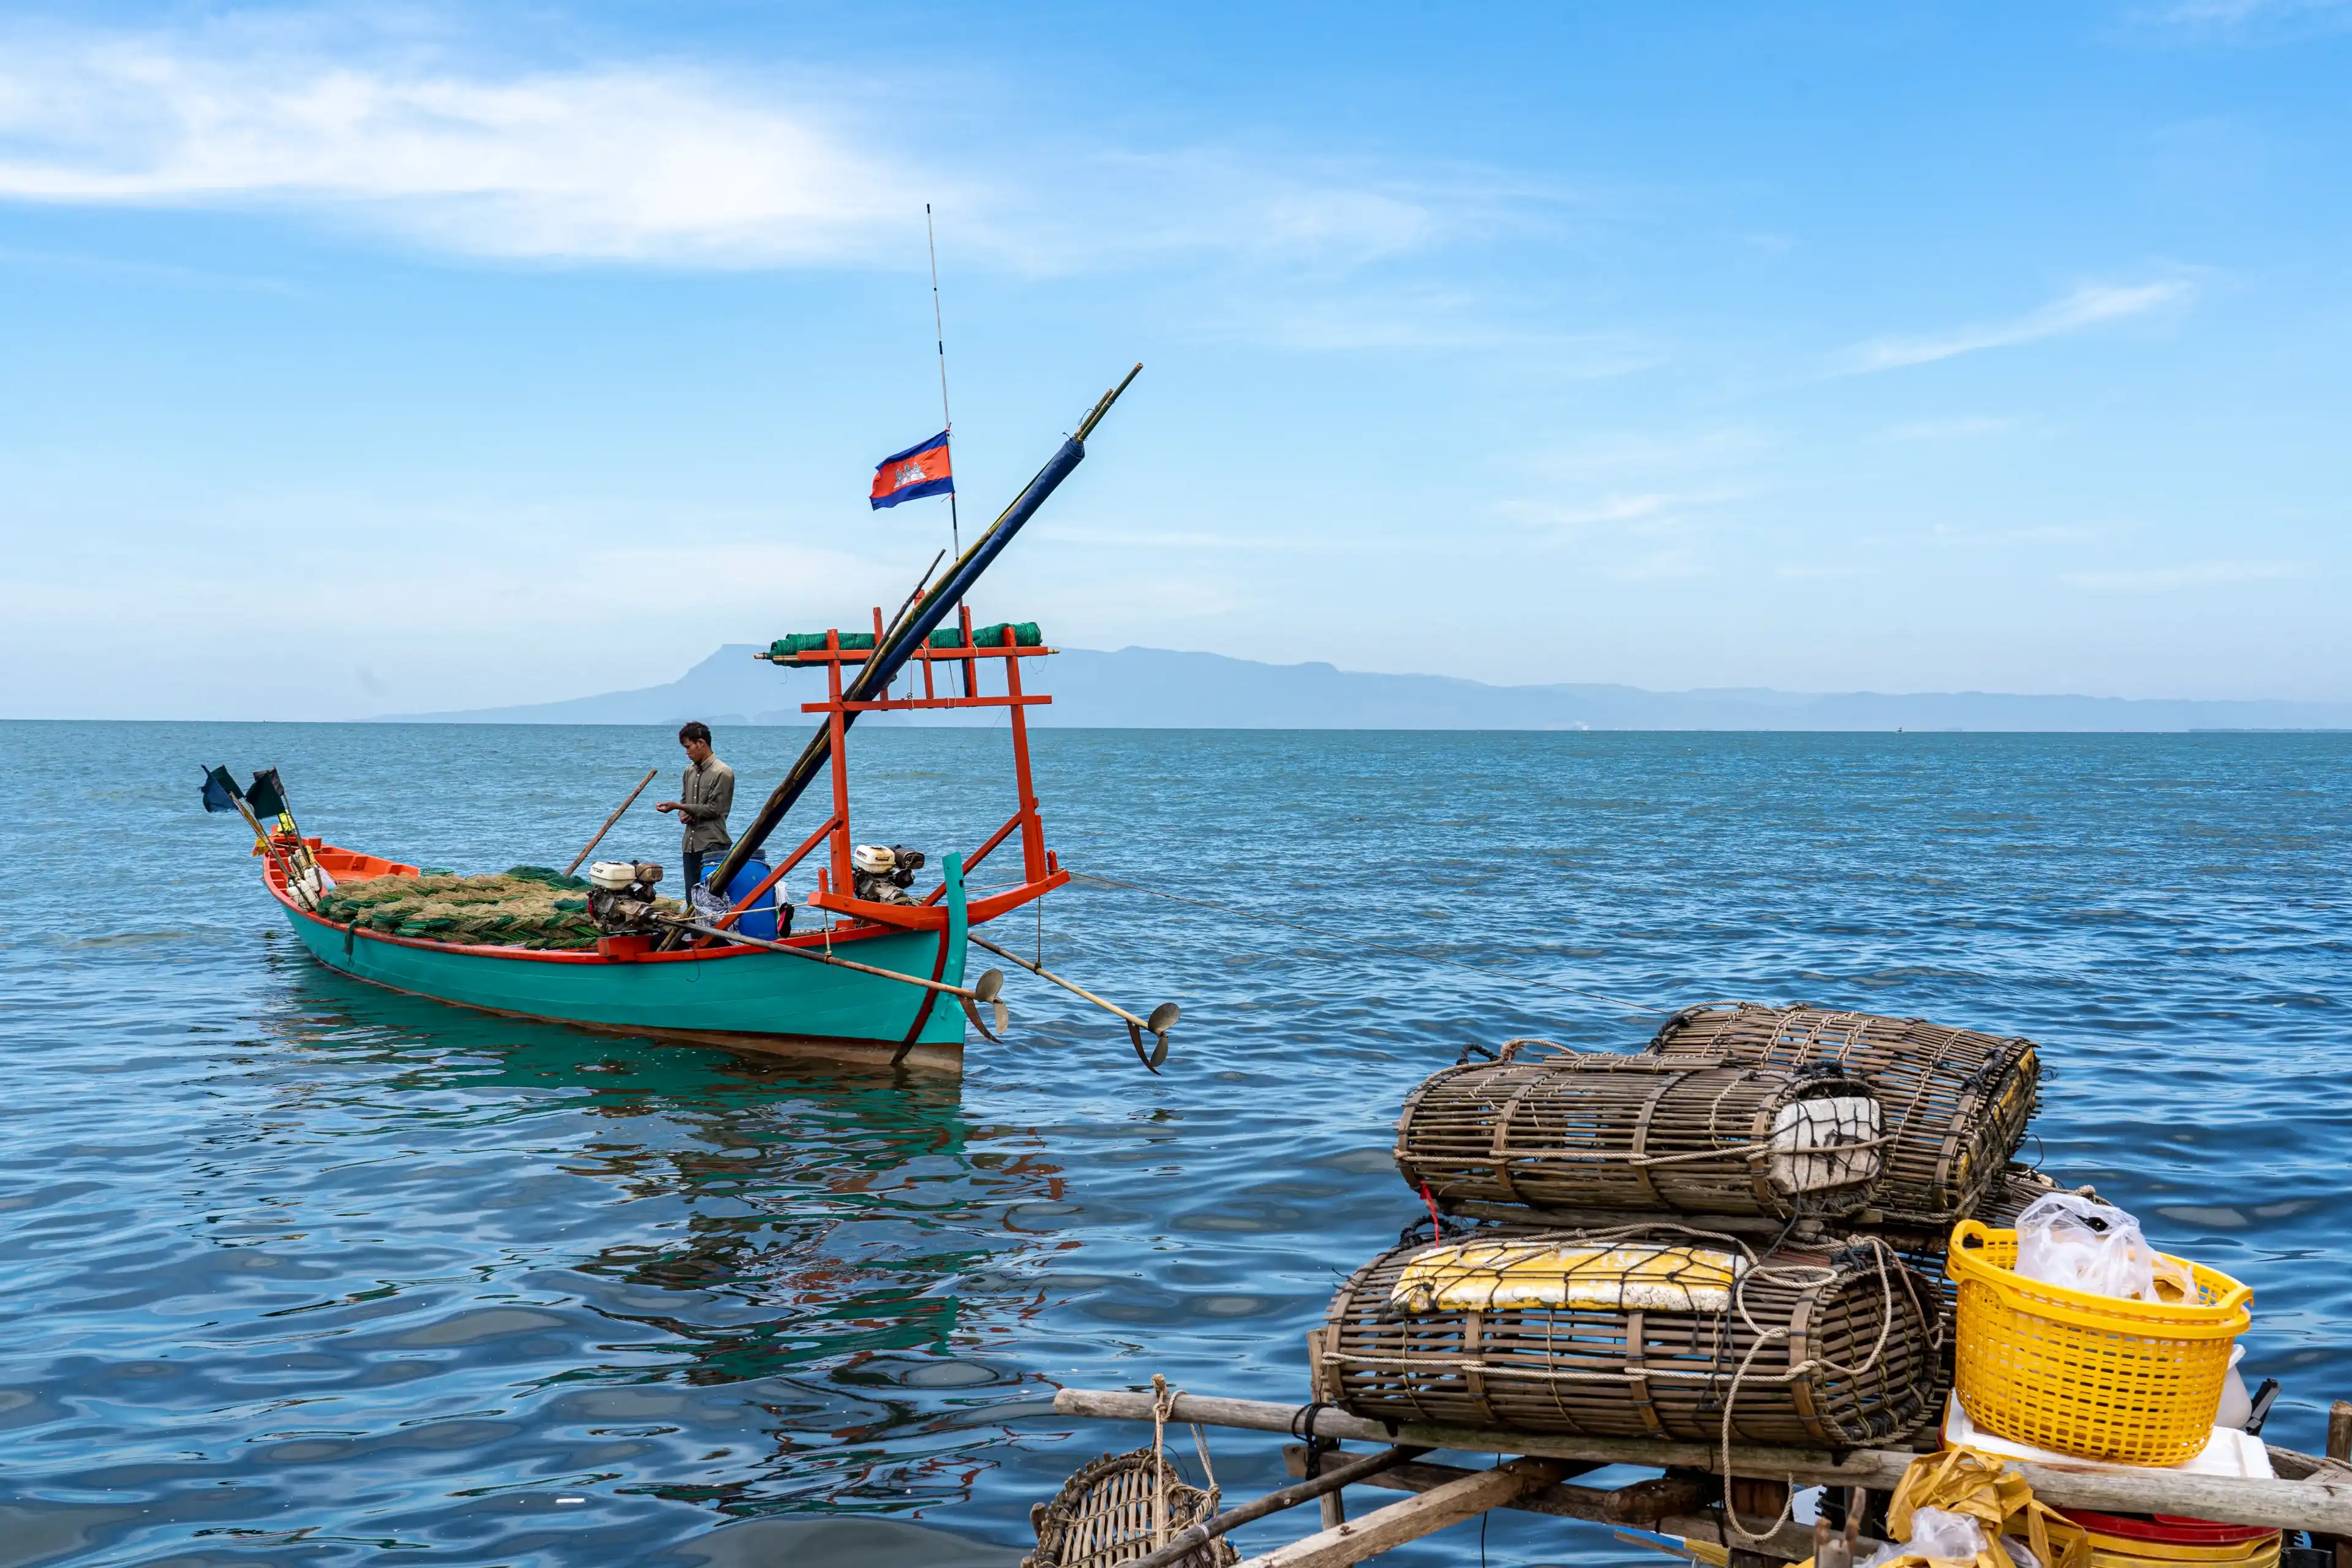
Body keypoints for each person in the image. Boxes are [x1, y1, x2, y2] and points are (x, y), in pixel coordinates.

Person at [656, 721, 736, 892]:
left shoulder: (722, 772)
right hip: (690, 845)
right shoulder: (689, 771)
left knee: (713, 898)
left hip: (713, 844)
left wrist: (680, 807)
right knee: (692, 896)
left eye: (688, 747)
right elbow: (685, 802)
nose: (687, 753)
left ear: (701, 743)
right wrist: (682, 813)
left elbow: (715, 809)